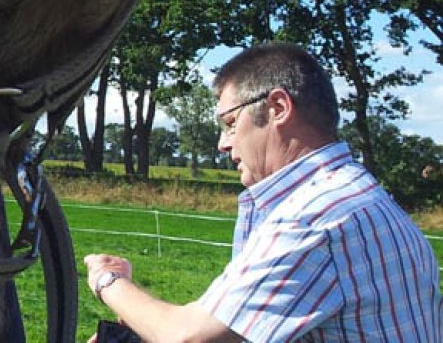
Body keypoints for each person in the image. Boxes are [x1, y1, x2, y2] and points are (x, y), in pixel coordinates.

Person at [84, 43, 442, 342]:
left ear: (278, 108)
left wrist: (108, 281)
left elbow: (186, 336)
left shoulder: (314, 216)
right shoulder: (359, 194)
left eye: (229, 124)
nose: (223, 144)